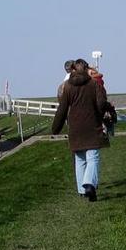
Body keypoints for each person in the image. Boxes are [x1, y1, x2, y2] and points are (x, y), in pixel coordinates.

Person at [51, 59, 109, 202]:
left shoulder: (68, 87)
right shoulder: (93, 84)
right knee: (92, 157)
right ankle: (89, 184)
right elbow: (101, 103)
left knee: (80, 159)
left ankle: (82, 190)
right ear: (86, 69)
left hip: (75, 127)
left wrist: (56, 128)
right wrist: (100, 114)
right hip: (91, 125)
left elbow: (62, 109)